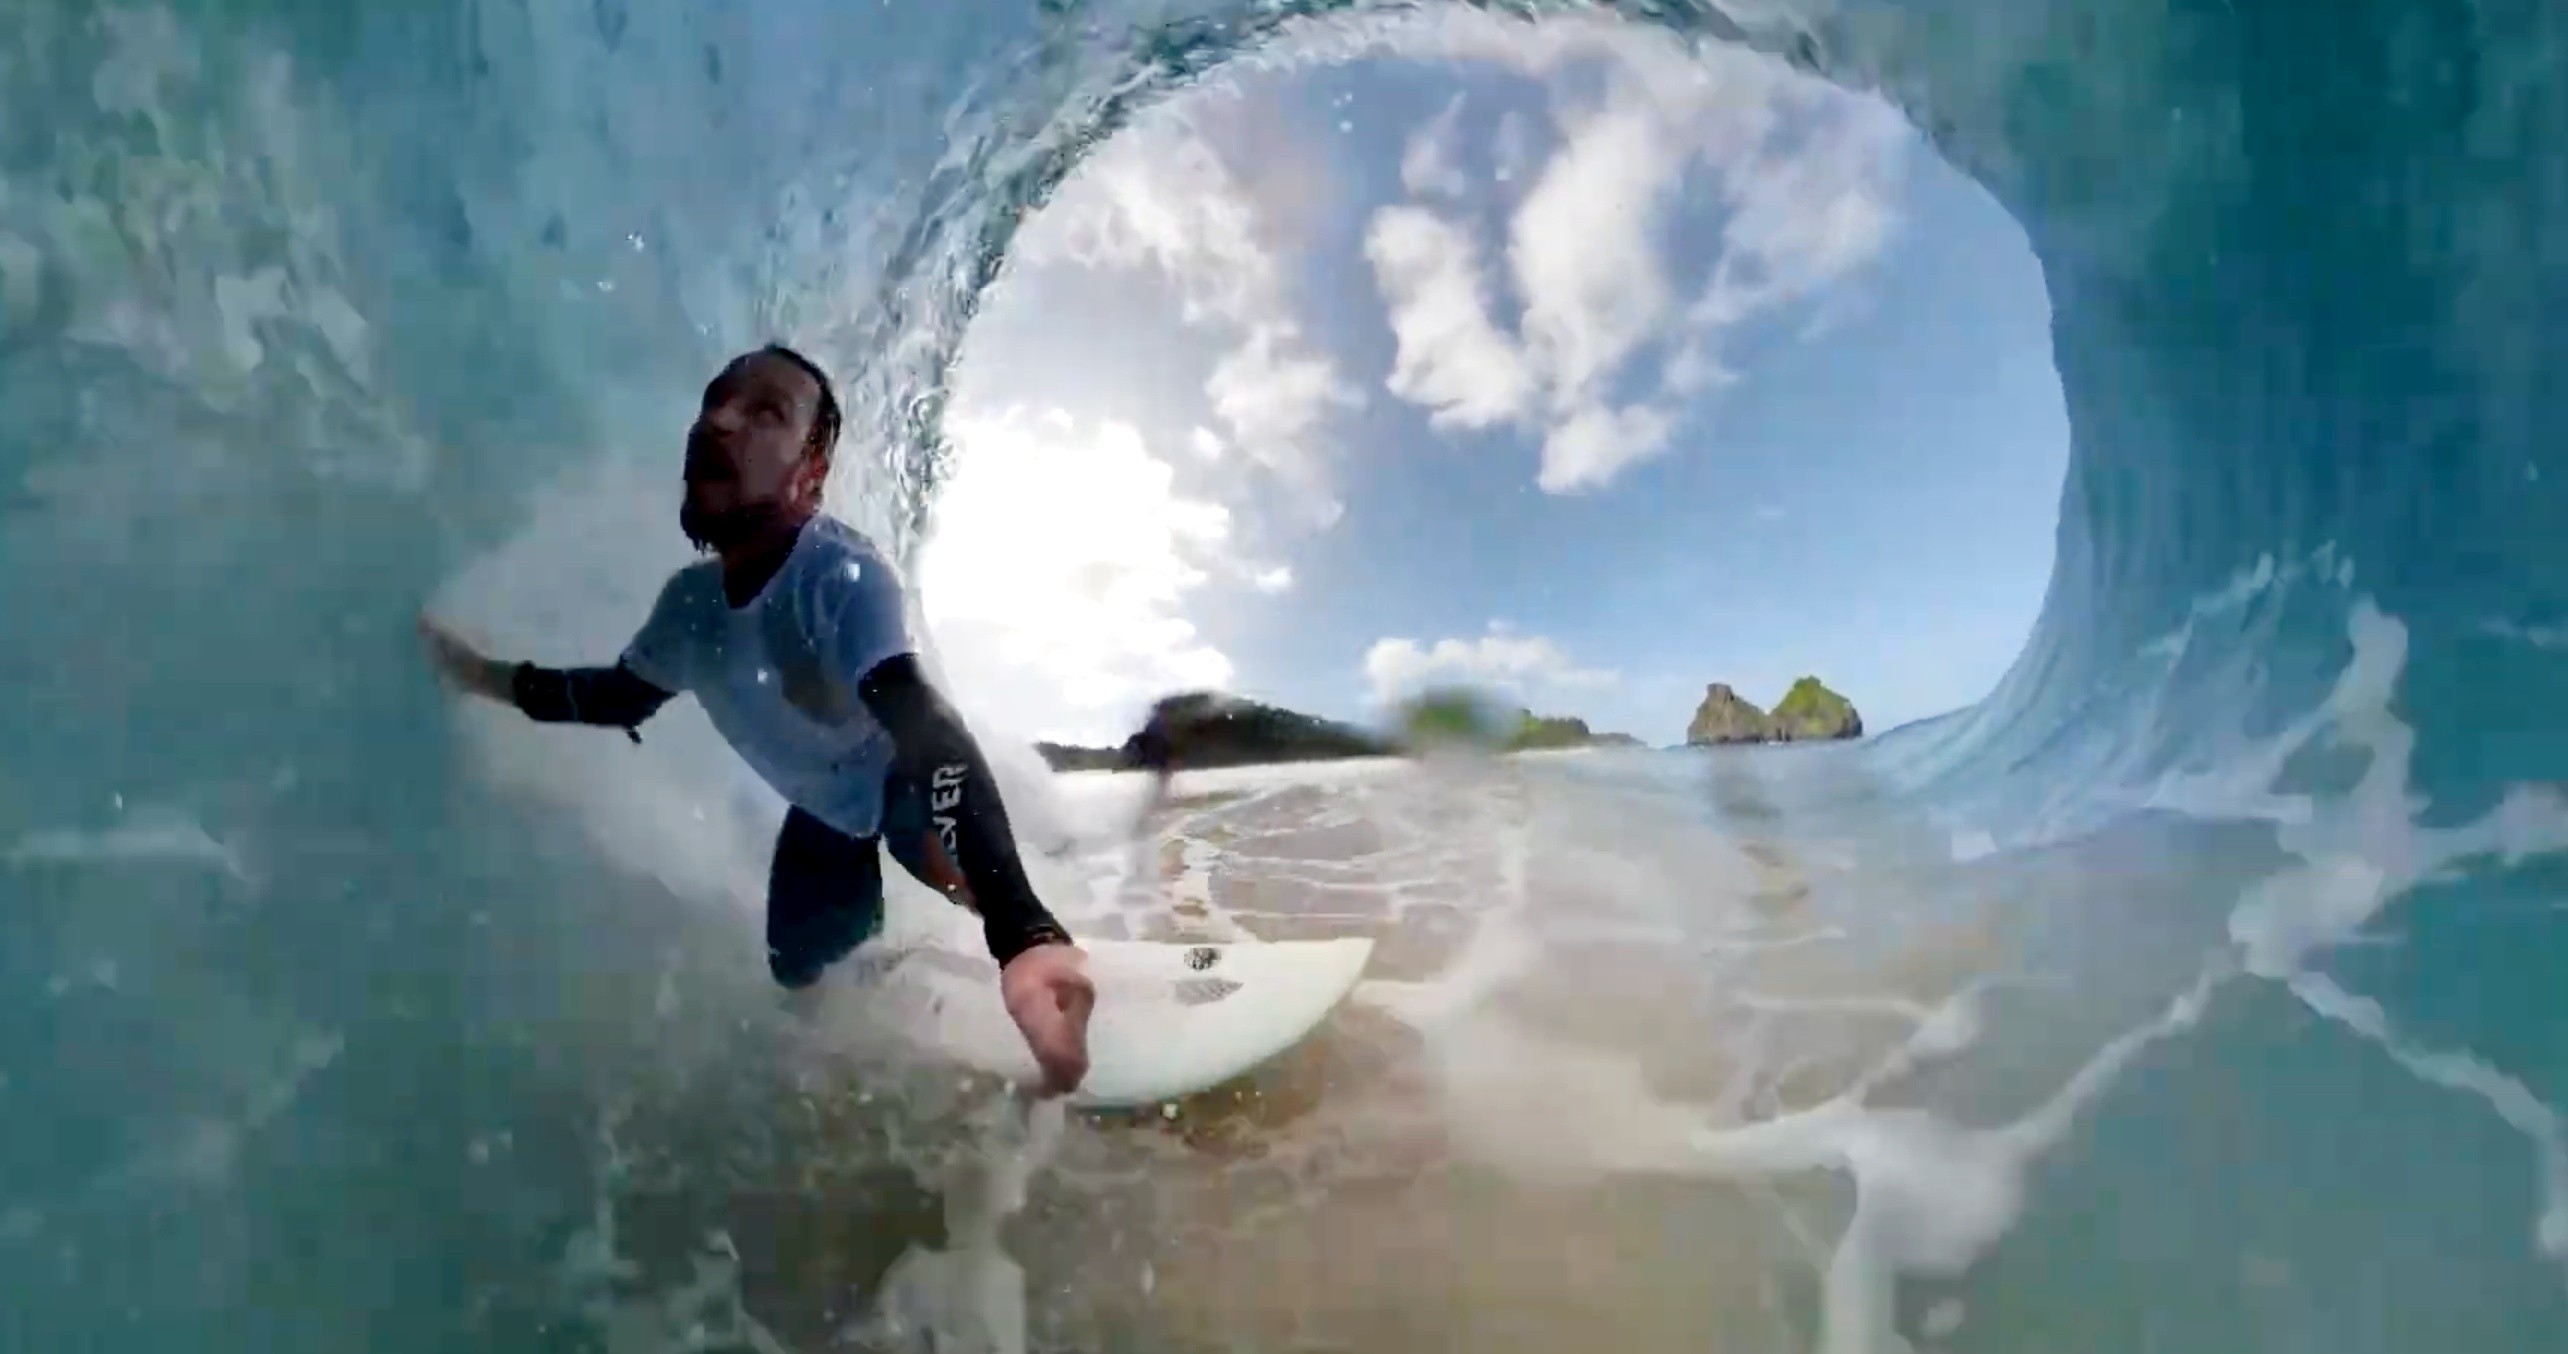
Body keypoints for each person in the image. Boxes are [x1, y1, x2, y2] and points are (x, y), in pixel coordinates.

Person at [417, 345, 1094, 1096]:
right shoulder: (688, 609)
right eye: (714, 401)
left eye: (765, 412)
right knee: (808, 987)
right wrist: (478, 675)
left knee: (962, 878)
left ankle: (1041, 954)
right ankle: (899, 964)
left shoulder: (840, 578)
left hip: (904, 784)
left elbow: (922, 723)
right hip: (823, 819)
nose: (717, 420)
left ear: (811, 476)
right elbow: (618, 698)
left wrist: (1020, 931)